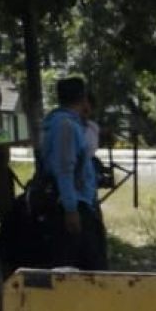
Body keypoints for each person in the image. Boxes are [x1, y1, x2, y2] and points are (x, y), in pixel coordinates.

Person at [40, 76, 108, 270]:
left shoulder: (71, 123)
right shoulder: (65, 126)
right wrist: (71, 209)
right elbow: (64, 169)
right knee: (87, 269)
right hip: (72, 205)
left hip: (81, 201)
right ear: (83, 97)